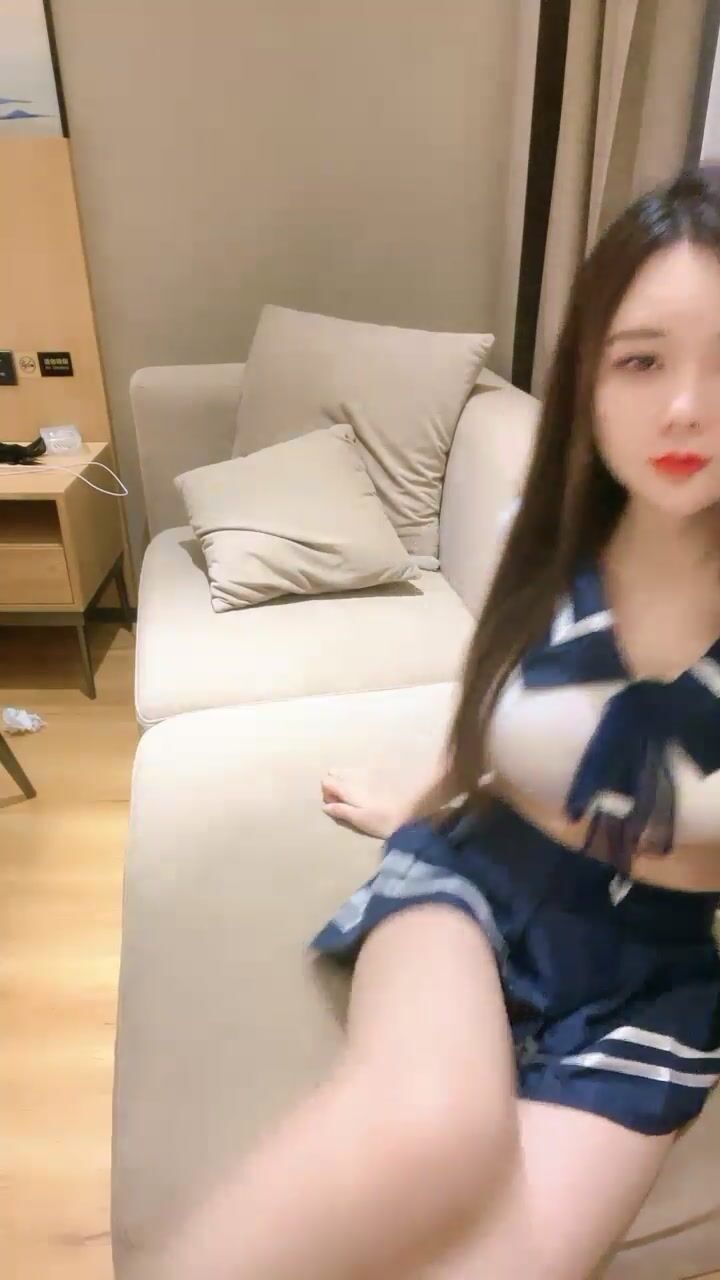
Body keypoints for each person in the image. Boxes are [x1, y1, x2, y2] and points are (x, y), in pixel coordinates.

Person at [162, 168, 720, 1280]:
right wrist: (428, 793)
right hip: (480, 875)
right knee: (428, 1128)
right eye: (642, 359)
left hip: (651, 976)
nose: (685, 408)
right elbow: (493, 708)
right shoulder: (540, 543)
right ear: (587, 373)